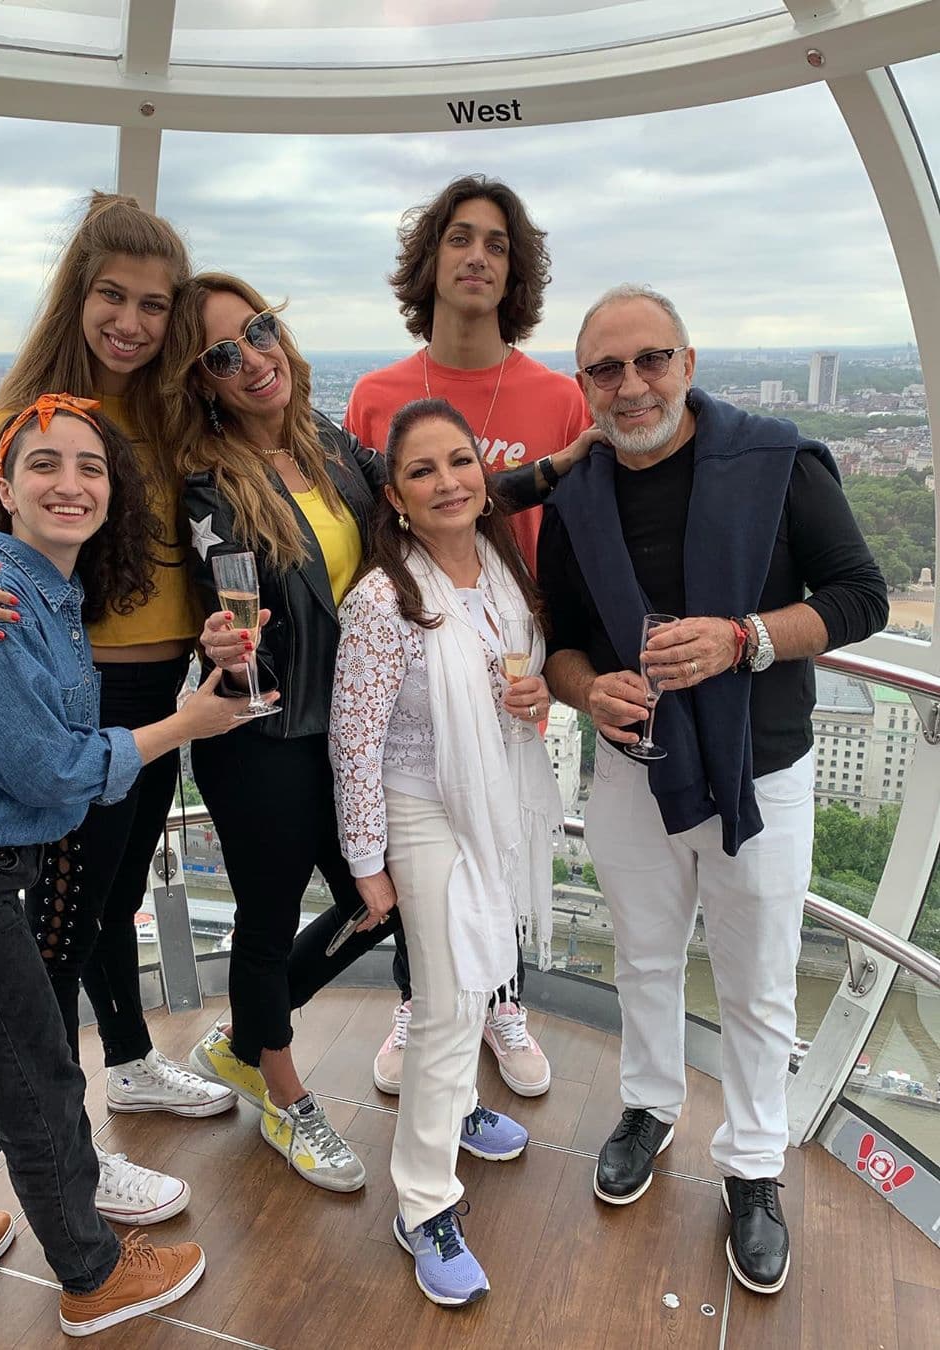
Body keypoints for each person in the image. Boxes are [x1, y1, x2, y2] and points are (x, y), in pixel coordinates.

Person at [163, 273, 581, 1193]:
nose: (253, 359)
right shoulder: (209, 487)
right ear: (202, 382)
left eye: (259, 331)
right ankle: (281, 1091)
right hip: (268, 737)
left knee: (379, 905)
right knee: (269, 923)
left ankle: (253, 1038)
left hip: (355, 731)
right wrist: (216, 641)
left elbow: (437, 491)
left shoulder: (328, 448)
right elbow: (219, 600)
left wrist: (557, 467)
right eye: (223, 354)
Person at [0, 398, 269, 1336]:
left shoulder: (46, 593)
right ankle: (91, 1274)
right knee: (41, 1082)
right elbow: (50, 773)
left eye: (91, 467)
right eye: (43, 465)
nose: (71, 484)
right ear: (3, 489)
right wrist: (184, 726)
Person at [539, 284, 889, 1295]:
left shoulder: (777, 461)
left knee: (760, 983)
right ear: (584, 386)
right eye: (607, 369)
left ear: (688, 364)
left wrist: (747, 639)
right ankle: (650, 1107)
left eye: (651, 360)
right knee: (644, 958)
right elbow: (560, 641)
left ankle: (753, 1164)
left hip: (760, 770)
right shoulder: (577, 499)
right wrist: (585, 692)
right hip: (632, 770)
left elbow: (861, 595)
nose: (632, 386)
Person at [0, 192, 225, 1224]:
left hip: (159, 693)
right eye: (111, 296)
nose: (131, 322)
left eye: (154, 305)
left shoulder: (169, 422)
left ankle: (125, 1062)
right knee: (56, 938)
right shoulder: (21, 426)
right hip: (80, 699)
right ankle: (71, 1147)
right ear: (75, 297)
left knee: (108, 904)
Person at [346, 173, 590, 1099]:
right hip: (416, 670)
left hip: (516, 668)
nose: (478, 256)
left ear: (515, 270)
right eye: (459, 238)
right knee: (426, 854)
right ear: (430, 260)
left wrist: (563, 667)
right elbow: (362, 539)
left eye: (496, 242)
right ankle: (422, 999)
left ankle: (503, 1001)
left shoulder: (558, 400)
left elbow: (573, 544)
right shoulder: (378, 395)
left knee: (507, 841)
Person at [331, 398, 563, 1304]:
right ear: (394, 497)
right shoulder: (383, 602)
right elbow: (355, 741)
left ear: (484, 475)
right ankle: (423, 1201)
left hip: (490, 798)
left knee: (481, 973)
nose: (448, 482)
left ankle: (460, 1107)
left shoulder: (500, 571)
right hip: (422, 808)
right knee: (450, 998)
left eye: (460, 461)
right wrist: (367, 862)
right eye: (422, 471)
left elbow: (519, 678)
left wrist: (536, 696)